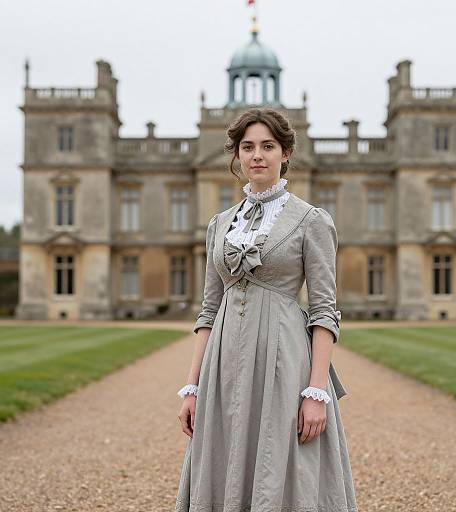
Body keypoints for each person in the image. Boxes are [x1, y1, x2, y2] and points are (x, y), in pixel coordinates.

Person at [175, 108, 358, 512]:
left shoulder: (311, 221)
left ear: (286, 153)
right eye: (248, 147)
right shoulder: (220, 225)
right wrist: (193, 386)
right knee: (224, 455)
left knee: (282, 459)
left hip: (283, 361)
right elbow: (209, 308)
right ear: (237, 156)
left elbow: (324, 310)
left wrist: (316, 392)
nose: (257, 155)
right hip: (223, 363)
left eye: (268, 146)